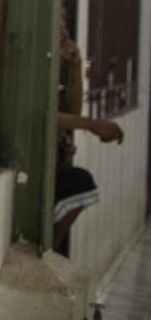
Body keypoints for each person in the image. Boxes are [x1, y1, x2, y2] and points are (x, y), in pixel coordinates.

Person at [52, 19, 124, 253]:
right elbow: (43, 117)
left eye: (65, 28)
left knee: (79, 184)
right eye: (58, 26)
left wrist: (75, 65)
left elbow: (71, 111)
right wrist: (92, 125)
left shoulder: (54, 66)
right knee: (80, 183)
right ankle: (46, 255)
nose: (63, 33)